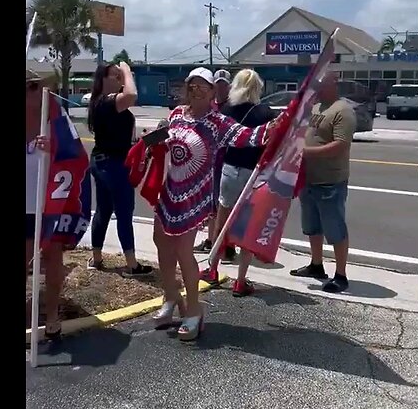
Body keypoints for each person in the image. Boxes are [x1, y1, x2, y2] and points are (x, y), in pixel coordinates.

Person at [150, 67, 285, 341]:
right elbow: (164, 142)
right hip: (169, 191)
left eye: (203, 86)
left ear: (213, 92)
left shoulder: (218, 122)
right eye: (192, 85)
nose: (196, 90)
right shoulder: (176, 115)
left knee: (184, 251)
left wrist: (277, 124)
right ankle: (172, 298)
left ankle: (195, 311)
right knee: (161, 245)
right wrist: (151, 138)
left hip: (194, 196)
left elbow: (249, 137)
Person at [26, 70, 88, 341]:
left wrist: (53, 146)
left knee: (52, 257)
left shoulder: (55, 116)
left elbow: (78, 156)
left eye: (34, 86)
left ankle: (52, 316)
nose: (35, 92)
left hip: (49, 200)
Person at [204, 69, 275, 296]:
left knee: (221, 222)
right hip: (252, 173)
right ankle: (240, 281)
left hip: (228, 169)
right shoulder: (265, 113)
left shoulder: (226, 110)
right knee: (247, 228)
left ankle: (212, 269)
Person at [85, 61, 152, 274]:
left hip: (103, 160)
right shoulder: (107, 101)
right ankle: (132, 264)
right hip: (113, 164)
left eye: (119, 76)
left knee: (104, 210)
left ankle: (96, 258)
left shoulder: (101, 102)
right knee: (124, 212)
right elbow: (132, 95)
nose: (120, 80)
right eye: (114, 76)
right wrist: (125, 69)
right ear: (102, 79)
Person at [289, 78, 356, 293]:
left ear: (333, 83)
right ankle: (316, 265)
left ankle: (341, 275)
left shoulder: (343, 110)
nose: (316, 86)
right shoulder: (316, 107)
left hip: (330, 181)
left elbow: (340, 146)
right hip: (308, 178)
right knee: (312, 227)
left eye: (321, 82)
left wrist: (305, 152)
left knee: (335, 229)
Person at [195, 68, 234, 257]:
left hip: (224, 162)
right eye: (217, 84)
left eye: (224, 85)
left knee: (221, 204)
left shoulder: (230, 108)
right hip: (208, 162)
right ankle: (211, 240)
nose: (220, 88)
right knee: (210, 204)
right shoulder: (210, 106)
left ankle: (223, 243)